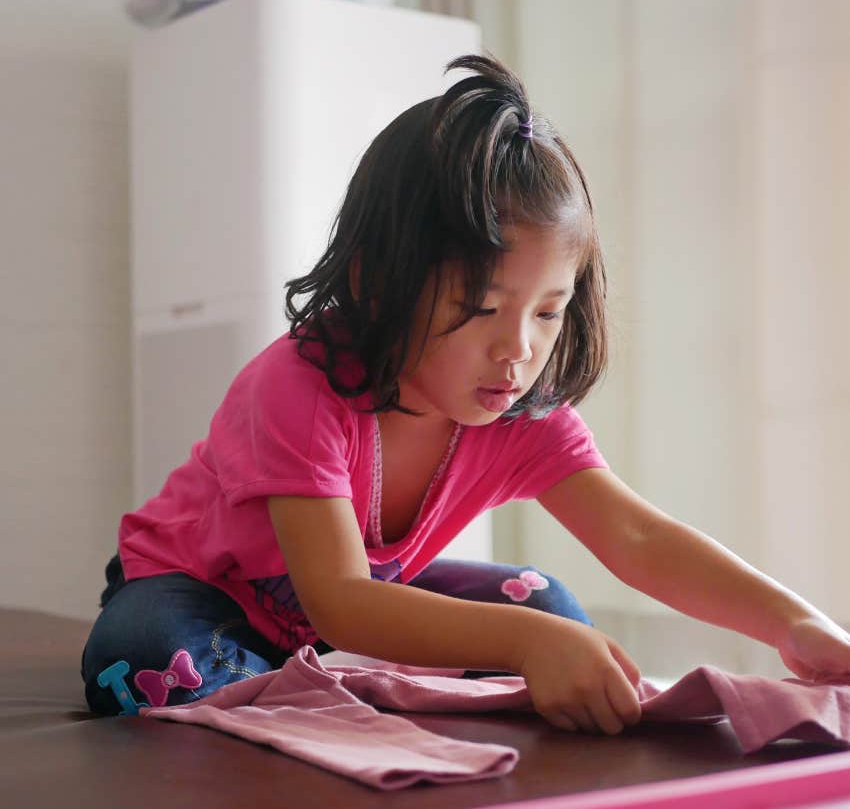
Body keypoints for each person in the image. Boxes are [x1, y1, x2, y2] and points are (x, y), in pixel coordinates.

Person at [81, 54, 850, 734]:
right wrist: (521, 648)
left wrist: (795, 623)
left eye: (547, 312)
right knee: (144, 653)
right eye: (481, 308)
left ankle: (329, 686)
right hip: (200, 593)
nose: (518, 349)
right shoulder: (297, 382)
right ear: (378, 287)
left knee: (546, 606)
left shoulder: (521, 405)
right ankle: (338, 688)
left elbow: (639, 540)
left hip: (335, 621)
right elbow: (342, 599)